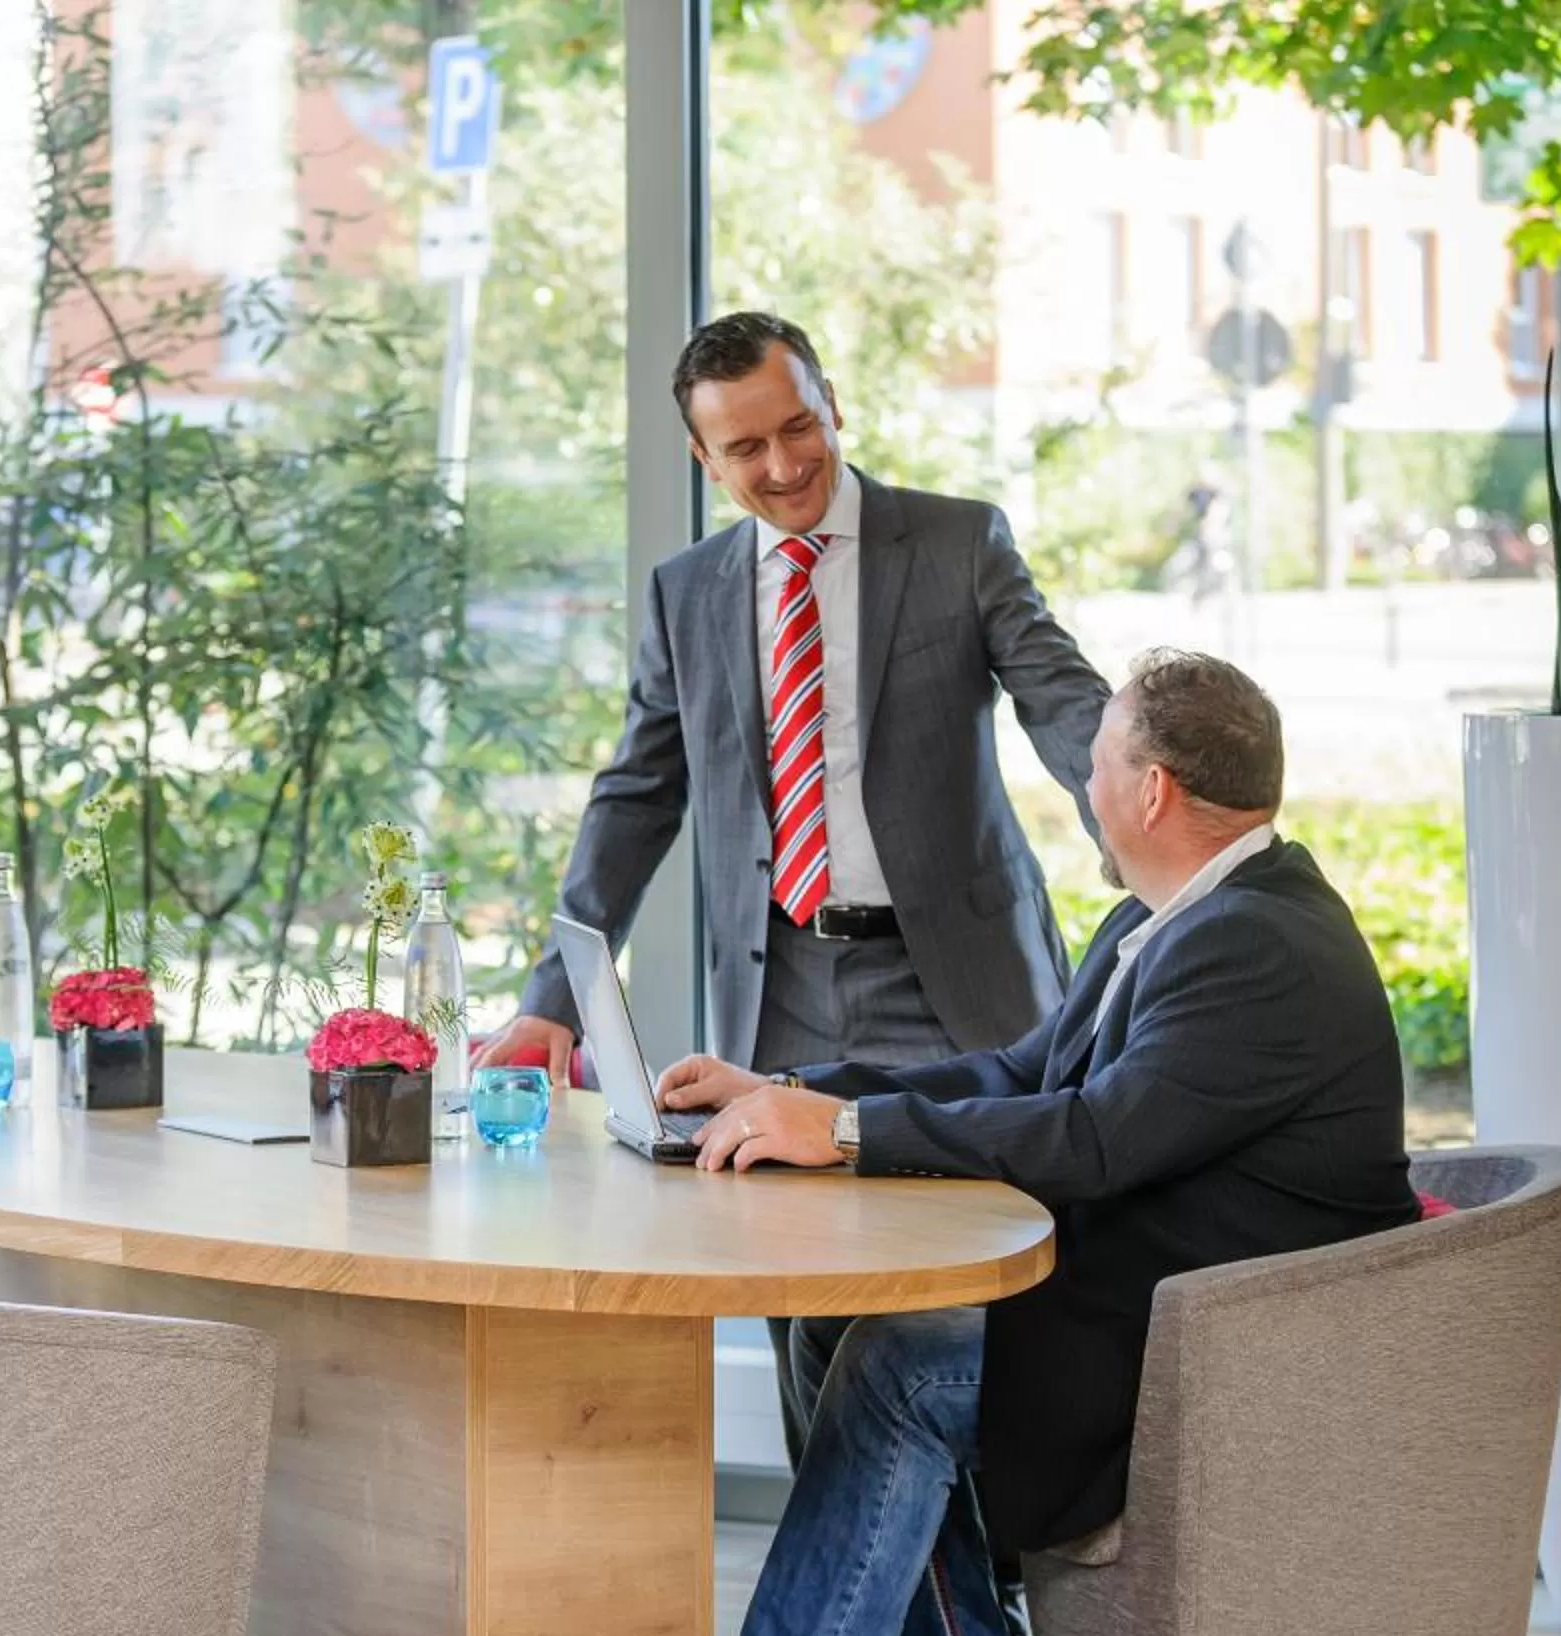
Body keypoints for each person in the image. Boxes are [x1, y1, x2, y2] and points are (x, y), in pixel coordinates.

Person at [659, 650, 1423, 1636]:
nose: (1084, 774)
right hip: (1146, 1301)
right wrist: (798, 1094)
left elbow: (1095, 1138)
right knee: (827, 1324)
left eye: (1101, 752)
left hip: (1214, 1351)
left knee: (903, 1363)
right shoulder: (1167, 917)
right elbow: (1023, 1076)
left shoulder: (1258, 947)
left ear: (1154, 789)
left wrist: (847, 1134)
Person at [475, 308, 1112, 1472]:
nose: (783, 467)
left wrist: (1141, 823)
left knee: (990, 1306)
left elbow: (1061, 699)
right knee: (807, 1306)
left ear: (831, 403)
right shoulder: (691, 592)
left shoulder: (960, 542)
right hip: (783, 991)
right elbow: (636, 796)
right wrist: (551, 997)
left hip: (962, 986)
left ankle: (998, 1592)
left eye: (798, 427)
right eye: (745, 450)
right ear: (703, 459)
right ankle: (886, 1625)